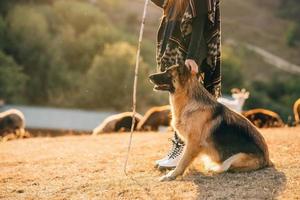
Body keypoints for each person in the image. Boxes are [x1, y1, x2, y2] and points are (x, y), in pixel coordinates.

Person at [151, 0, 222, 169]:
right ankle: (177, 149)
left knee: (191, 104)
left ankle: (181, 152)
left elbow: (200, 21)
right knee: (180, 103)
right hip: (178, 48)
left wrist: (193, 56)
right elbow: (165, 3)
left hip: (192, 50)